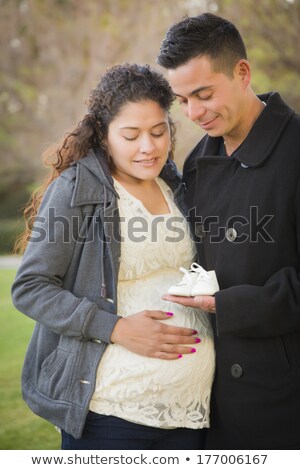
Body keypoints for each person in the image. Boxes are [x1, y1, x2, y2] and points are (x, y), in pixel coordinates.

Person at [11, 63, 215, 450]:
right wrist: (115, 328)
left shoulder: (177, 185)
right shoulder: (76, 190)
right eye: (131, 135)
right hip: (113, 415)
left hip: (194, 413)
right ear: (104, 136)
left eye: (159, 132)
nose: (148, 146)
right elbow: (31, 287)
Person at [157, 13, 300, 450]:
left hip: (282, 401)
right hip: (209, 397)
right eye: (182, 100)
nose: (194, 112)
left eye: (203, 94)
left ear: (242, 73)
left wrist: (230, 305)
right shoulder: (198, 162)